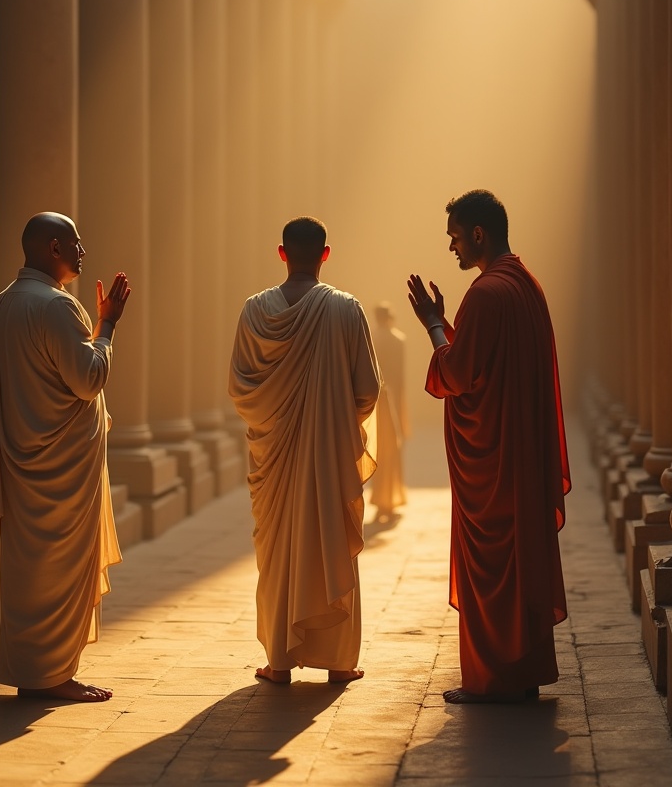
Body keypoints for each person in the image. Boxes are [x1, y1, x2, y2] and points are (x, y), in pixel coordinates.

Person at [407, 189, 571, 704]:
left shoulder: (485, 293)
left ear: (478, 234)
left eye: (455, 237)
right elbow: (490, 360)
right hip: (521, 451)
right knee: (519, 563)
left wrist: (434, 325)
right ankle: (522, 672)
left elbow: (458, 373)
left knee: (493, 565)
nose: (452, 247)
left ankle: (494, 680)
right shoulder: (525, 285)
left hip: (494, 462)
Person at [0, 212, 130, 703]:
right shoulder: (57, 306)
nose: (83, 251)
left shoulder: (5, 303)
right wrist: (107, 324)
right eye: (76, 243)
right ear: (54, 247)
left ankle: (34, 672)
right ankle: (53, 676)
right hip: (62, 469)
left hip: (23, 459)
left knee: (29, 574)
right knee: (59, 572)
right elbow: (87, 379)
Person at [229, 216, 381, 685]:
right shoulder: (346, 309)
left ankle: (279, 661)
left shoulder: (255, 311)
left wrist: (275, 420)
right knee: (329, 540)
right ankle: (339, 662)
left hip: (273, 455)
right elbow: (368, 390)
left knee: (278, 551)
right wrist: (331, 421)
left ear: (282, 253)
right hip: (329, 454)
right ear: (325, 254)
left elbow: (240, 388)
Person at [369, 302, 409, 522]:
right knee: (391, 451)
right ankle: (390, 500)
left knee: (378, 451)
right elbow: (400, 379)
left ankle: (381, 500)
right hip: (392, 400)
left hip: (374, 401)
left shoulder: (371, 338)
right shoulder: (397, 340)